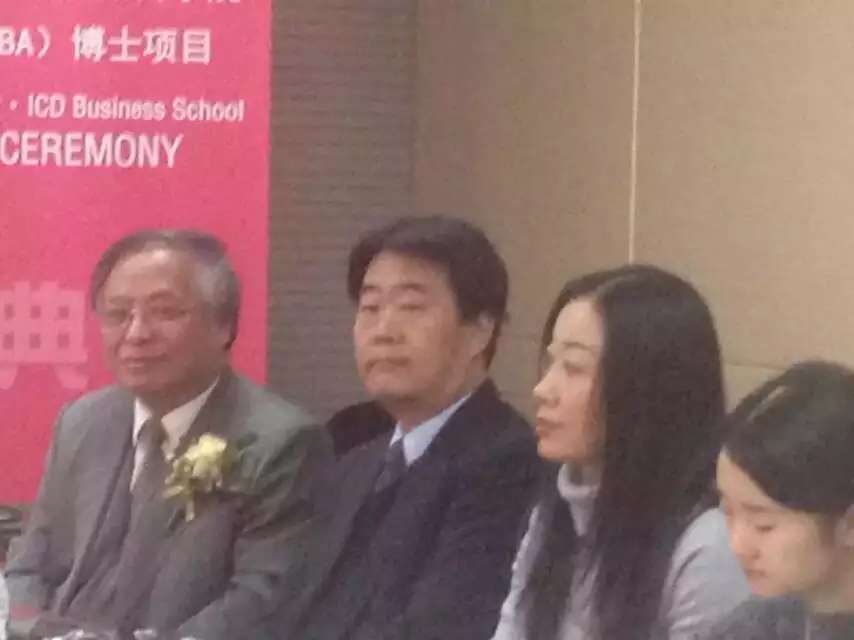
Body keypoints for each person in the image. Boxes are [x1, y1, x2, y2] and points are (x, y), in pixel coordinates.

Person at [5, 229, 331, 640]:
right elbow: (29, 565)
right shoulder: (83, 421)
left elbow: (261, 600)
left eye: (165, 312)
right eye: (117, 314)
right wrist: (34, 630)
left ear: (223, 325)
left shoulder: (279, 442)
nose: (136, 333)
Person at [270, 216, 539, 640]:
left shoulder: (508, 463)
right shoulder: (354, 462)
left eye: (411, 307)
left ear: (480, 331)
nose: (383, 331)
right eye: (370, 308)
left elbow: (445, 626)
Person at [491, 265, 748, 640]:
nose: (543, 389)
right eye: (550, 362)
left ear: (649, 386)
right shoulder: (557, 505)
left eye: (573, 367)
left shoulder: (708, 545)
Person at [708, 361, 854, 640]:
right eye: (727, 511)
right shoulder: (755, 624)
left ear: (849, 523)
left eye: (763, 525)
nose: (737, 546)